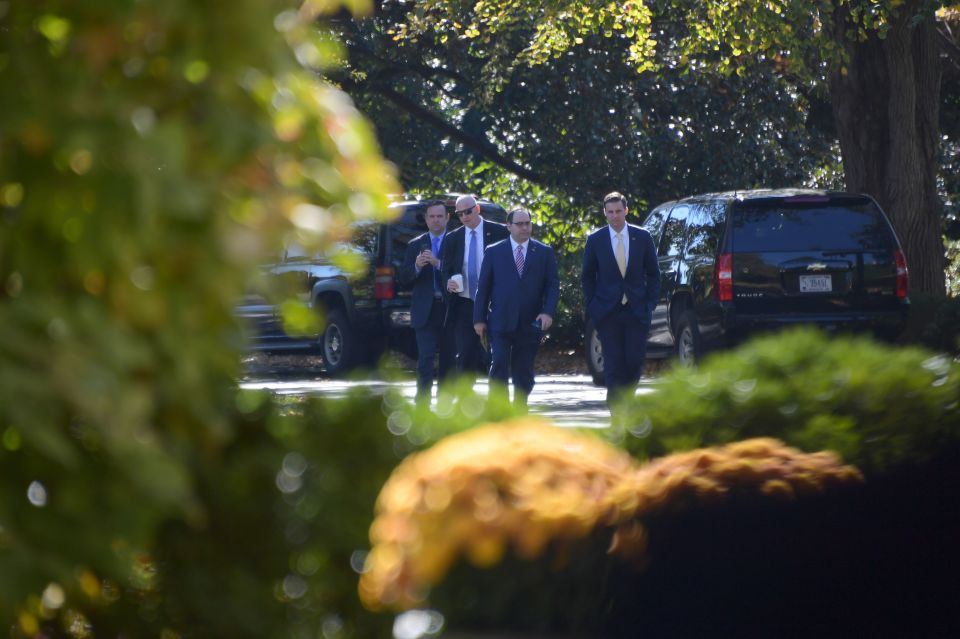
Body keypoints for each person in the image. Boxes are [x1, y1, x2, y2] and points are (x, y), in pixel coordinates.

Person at [582, 191, 660, 411]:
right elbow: (587, 276)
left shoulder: (642, 237)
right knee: (614, 362)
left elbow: (653, 273)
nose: (614, 216)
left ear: (626, 211)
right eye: (610, 212)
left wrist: (650, 303)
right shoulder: (596, 240)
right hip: (608, 311)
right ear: (605, 213)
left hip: (636, 310)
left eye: (618, 211)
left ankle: (627, 397)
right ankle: (617, 407)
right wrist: (594, 306)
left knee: (634, 361)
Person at [473, 207, 559, 408]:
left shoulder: (543, 252)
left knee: (524, 369)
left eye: (527, 223)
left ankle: (520, 406)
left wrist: (547, 312)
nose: (524, 228)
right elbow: (483, 287)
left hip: (530, 322)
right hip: (500, 320)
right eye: (519, 224)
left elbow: (553, 285)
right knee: (499, 363)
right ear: (508, 226)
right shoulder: (494, 251)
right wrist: (479, 319)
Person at [441, 194, 509, 378]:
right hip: (465, 303)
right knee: (465, 356)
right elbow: (445, 270)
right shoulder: (453, 239)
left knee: (495, 355)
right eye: (460, 214)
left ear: (477, 209)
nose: (464, 216)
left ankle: (497, 400)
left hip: (493, 303)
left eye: (468, 211)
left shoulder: (499, 232)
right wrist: (449, 282)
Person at [400, 200, 454, 405]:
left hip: (449, 308)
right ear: (426, 219)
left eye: (440, 216)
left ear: (447, 218)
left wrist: (438, 264)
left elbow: (463, 273)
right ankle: (422, 403)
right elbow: (403, 278)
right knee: (425, 358)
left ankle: (445, 402)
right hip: (425, 309)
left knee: (449, 359)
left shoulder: (456, 241)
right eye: (432, 216)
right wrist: (416, 266)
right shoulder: (416, 244)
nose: (436, 220)